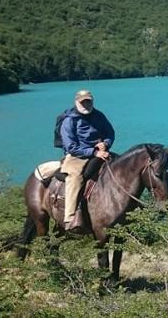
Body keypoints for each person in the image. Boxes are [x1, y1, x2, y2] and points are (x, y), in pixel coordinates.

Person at [60, 89, 115, 231]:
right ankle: (70, 217)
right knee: (75, 177)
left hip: (101, 152)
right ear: (76, 102)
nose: (86, 104)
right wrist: (94, 152)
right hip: (77, 155)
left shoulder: (99, 115)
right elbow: (71, 147)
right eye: (83, 102)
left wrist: (106, 143)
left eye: (88, 101)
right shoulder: (69, 120)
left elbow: (110, 132)